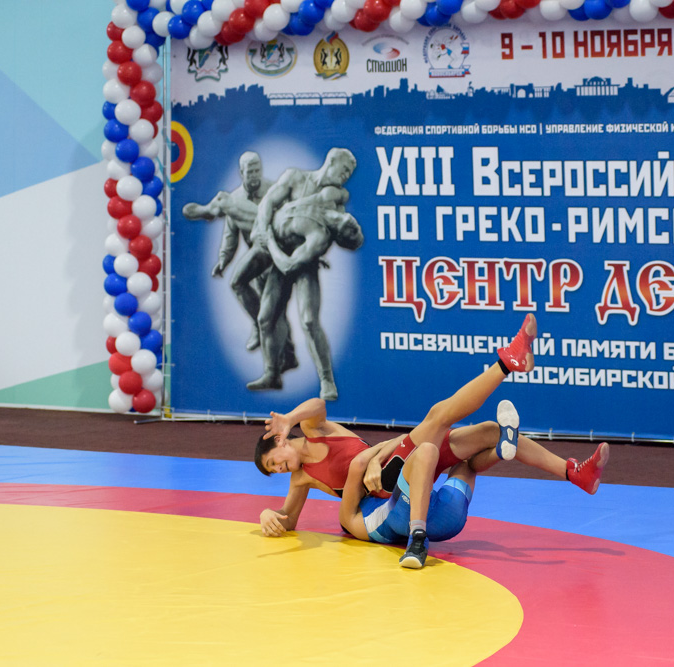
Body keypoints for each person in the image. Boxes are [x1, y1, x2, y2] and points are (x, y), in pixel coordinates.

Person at [254, 314, 610, 542]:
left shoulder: (315, 430)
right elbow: (289, 519)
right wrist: (269, 515)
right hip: (386, 492)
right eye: (274, 471)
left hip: (390, 461)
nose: (280, 468)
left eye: (274, 461)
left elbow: (318, 406)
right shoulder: (300, 480)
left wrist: (289, 417)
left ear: (281, 440)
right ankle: (506, 363)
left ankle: (575, 473)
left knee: (489, 431)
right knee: (439, 416)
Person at [338, 401, 525, 569]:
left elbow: (360, 467)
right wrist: (375, 457)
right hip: (430, 516)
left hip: (442, 522)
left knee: (453, 459)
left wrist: (375, 459)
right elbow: (358, 463)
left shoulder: (357, 521)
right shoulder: (353, 516)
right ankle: (499, 452)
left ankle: (417, 540)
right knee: (433, 452)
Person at [240, 148, 360, 396]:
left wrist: (270, 239)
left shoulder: (336, 199)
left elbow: (343, 235)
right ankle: (272, 374)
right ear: (331, 161)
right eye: (345, 169)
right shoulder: (295, 177)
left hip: (302, 263)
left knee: (309, 320)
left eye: (350, 173)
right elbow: (268, 202)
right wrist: (263, 228)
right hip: (280, 254)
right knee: (265, 318)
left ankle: (327, 380)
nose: (347, 175)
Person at [181, 151, 297, 367]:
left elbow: (292, 221)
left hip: (278, 253)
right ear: (241, 173)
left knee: (275, 311)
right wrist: (223, 260)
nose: (254, 175)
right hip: (258, 259)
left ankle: (286, 356)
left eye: (257, 170)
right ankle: (283, 351)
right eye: (250, 172)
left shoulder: (274, 190)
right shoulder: (235, 199)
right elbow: (230, 236)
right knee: (265, 310)